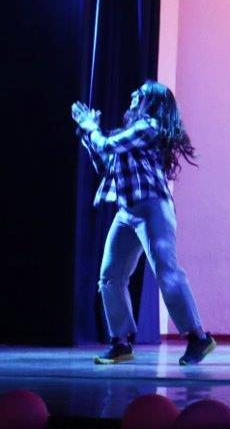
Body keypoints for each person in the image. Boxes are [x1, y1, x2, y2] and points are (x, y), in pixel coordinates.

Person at [72, 81, 215, 366]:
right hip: (126, 211)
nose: (133, 95)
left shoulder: (149, 126)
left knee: (166, 271)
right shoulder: (129, 133)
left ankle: (198, 337)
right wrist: (89, 132)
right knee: (110, 276)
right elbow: (105, 163)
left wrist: (92, 128)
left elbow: (108, 144)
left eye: (139, 94)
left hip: (152, 207)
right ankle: (121, 341)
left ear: (152, 102)